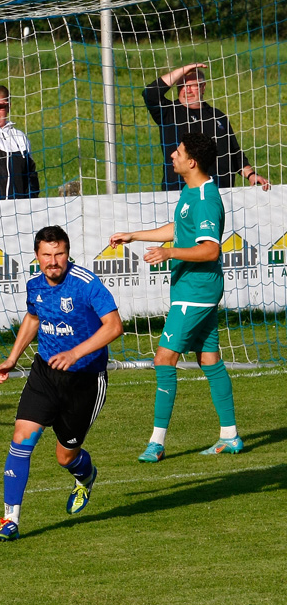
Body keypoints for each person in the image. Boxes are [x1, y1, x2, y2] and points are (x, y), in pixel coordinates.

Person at [109, 132, 243, 463]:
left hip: (195, 292)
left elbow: (210, 249)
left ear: (192, 161)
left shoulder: (206, 199)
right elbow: (180, 228)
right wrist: (134, 235)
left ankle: (156, 443)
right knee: (208, 359)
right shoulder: (191, 192)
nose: (173, 155)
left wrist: (169, 253)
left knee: (164, 358)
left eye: (179, 152)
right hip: (194, 289)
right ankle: (230, 436)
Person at [0, 226, 123, 541]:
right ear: (37, 256)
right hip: (45, 374)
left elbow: (114, 326)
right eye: (47, 255)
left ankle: (85, 476)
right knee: (22, 438)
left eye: (59, 254)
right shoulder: (35, 285)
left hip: (86, 380)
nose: (53, 261)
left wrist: (75, 353)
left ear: (68, 254)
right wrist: (11, 359)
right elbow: (33, 319)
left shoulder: (86, 284)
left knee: (66, 456)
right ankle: (9, 521)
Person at [143, 63, 271, 191]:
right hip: (181, 194)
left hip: (220, 192)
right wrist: (181, 71)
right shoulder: (169, 113)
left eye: (192, 86)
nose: (187, 90)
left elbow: (235, 153)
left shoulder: (218, 116)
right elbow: (150, 94)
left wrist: (251, 175)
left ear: (203, 87)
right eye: (182, 86)